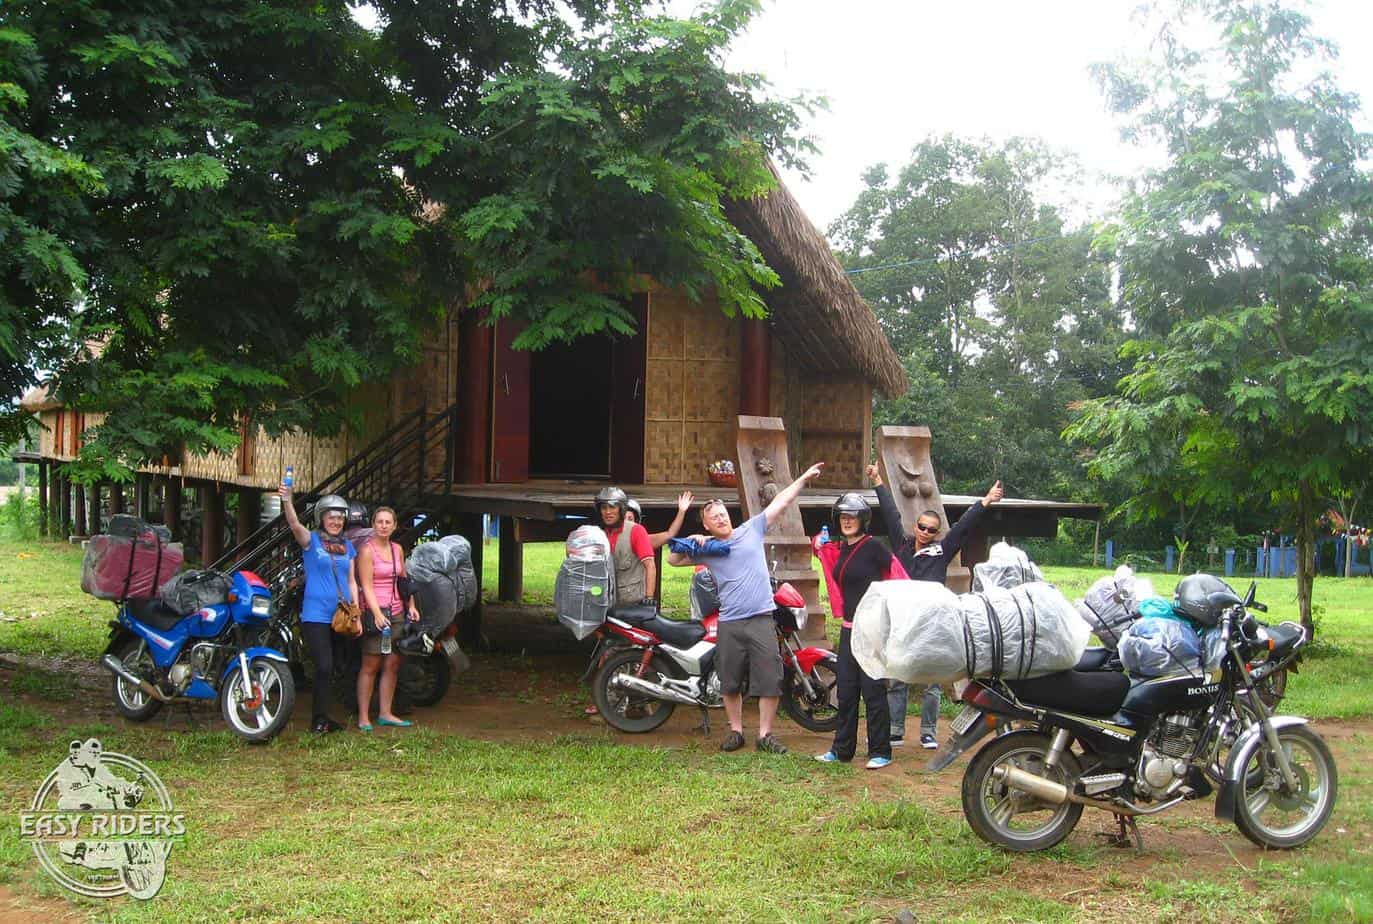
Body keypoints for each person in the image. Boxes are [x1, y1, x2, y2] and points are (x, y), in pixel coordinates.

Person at [667, 462, 825, 754]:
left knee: (770, 678)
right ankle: (736, 731)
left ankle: (765, 735)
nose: (720, 519)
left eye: (723, 515)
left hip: (762, 619)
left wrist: (802, 478)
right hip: (730, 622)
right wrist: (690, 542)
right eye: (714, 518)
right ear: (707, 525)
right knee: (730, 681)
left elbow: (782, 501)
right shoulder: (709, 548)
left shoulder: (751, 529)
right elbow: (673, 561)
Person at [867, 463, 1003, 749]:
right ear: (915, 527)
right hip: (903, 620)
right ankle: (895, 729)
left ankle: (928, 732)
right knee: (899, 676)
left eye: (932, 529)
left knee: (931, 681)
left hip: (931, 623)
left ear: (937, 531)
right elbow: (891, 514)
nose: (926, 532)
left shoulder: (942, 551)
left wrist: (986, 501)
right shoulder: (902, 546)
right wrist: (878, 480)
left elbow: (964, 525)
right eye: (922, 527)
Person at [812, 492, 908, 769]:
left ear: (863, 520)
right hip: (848, 630)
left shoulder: (875, 548)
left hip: (872, 630)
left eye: (852, 517)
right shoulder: (840, 549)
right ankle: (842, 750)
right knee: (846, 692)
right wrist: (818, 547)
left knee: (873, 691)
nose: (847, 521)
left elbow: (899, 579)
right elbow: (828, 560)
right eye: (843, 517)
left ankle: (881, 751)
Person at [279, 485, 357, 734]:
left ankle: (323, 717)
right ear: (321, 518)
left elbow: (352, 580)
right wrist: (287, 501)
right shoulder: (311, 541)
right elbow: (293, 524)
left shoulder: (348, 547)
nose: (336, 521)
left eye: (340, 517)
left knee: (334, 666)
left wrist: (356, 611)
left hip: (342, 614)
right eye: (331, 517)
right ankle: (318, 720)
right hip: (316, 614)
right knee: (323, 665)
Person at [355, 506, 421, 732]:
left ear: (394, 526)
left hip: (396, 611)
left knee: (392, 663)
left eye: (387, 522)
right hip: (376, 611)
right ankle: (364, 716)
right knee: (370, 664)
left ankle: (385, 712)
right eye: (379, 522)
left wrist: (411, 605)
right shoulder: (366, 550)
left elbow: (403, 580)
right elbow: (366, 585)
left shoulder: (397, 549)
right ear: (373, 524)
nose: (383, 526)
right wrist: (375, 613)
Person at [595, 487, 658, 608]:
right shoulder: (600, 535)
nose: (608, 512)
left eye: (612, 507)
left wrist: (649, 597)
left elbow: (650, 565)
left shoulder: (635, 530)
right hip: (607, 602)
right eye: (604, 507)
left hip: (632, 602)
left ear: (621, 509)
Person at [625, 491, 694, 550]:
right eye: (622, 519)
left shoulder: (641, 541)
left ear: (636, 522)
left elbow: (670, 534)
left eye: (630, 519)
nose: (626, 522)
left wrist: (681, 511)